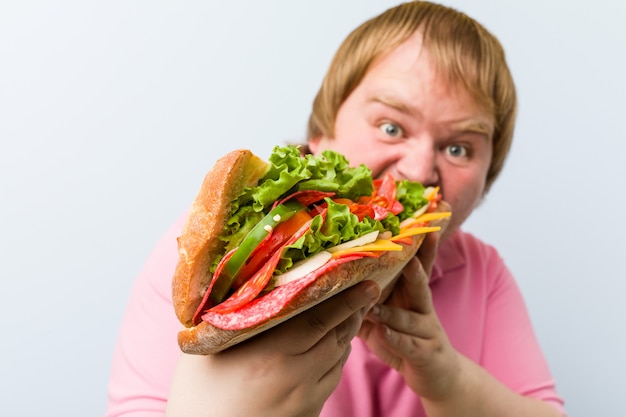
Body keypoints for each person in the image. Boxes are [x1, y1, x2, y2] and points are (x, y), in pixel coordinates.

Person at [105, 2, 566, 416]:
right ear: (322, 136)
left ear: (488, 176)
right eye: (390, 127)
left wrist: (446, 379)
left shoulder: (482, 274)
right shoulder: (205, 255)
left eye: (460, 150)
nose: (421, 169)